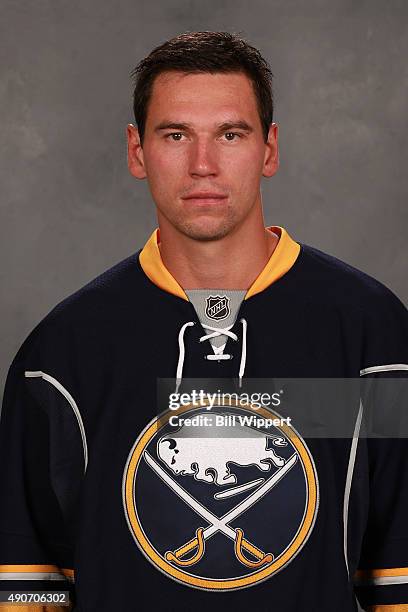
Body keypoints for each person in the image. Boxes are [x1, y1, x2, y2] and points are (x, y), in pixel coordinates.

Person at [0, 30, 407, 612]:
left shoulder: (373, 337)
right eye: (175, 135)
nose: (203, 165)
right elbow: (26, 583)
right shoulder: (64, 356)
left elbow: (397, 574)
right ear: (137, 151)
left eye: (230, 134)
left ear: (268, 149)